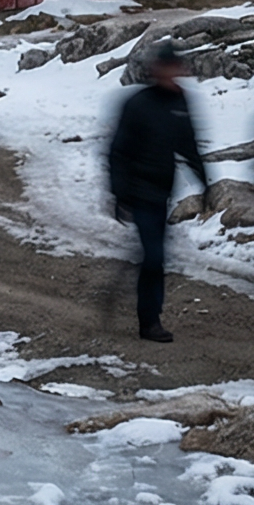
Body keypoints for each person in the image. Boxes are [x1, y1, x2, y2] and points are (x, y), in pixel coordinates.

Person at [106, 40, 208, 342]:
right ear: (156, 70)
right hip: (139, 192)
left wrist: (206, 181)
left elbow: (188, 144)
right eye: (166, 69)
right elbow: (117, 152)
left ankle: (150, 312)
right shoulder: (138, 104)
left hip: (162, 191)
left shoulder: (180, 102)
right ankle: (149, 321)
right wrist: (120, 195)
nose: (171, 74)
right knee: (154, 256)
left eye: (175, 68)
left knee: (156, 257)